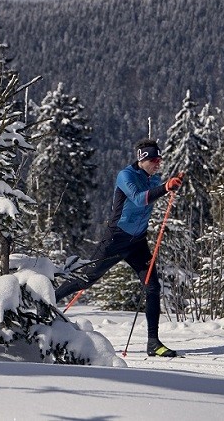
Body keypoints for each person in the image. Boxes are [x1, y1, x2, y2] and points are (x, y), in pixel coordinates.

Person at [55, 138, 184, 357]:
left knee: (152, 287)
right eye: (154, 159)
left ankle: (153, 342)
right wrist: (165, 187)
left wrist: (172, 185)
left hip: (137, 243)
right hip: (115, 240)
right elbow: (139, 199)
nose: (158, 163)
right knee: (86, 279)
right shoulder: (126, 176)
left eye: (160, 159)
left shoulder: (154, 179)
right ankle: (48, 300)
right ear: (142, 158)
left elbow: (158, 191)